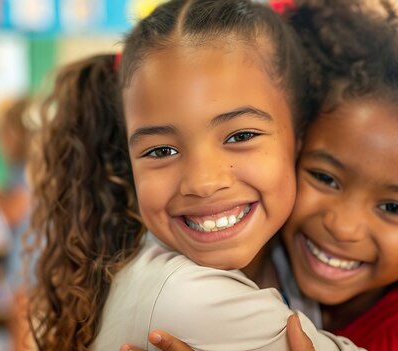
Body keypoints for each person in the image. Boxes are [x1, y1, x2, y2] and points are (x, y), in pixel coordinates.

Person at [123, 0, 398, 350]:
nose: (342, 227)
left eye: (394, 207)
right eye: (325, 178)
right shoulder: (261, 269)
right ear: (294, 150)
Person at [28, 0, 365, 350]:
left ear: (300, 137)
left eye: (240, 136)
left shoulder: (289, 257)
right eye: (161, 151)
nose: (203, 182)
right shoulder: (188, 297)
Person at [0, 97, 36, 351]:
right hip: (37, 253)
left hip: (29, 256)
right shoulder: (41, 164)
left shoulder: (22, 167)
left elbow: (13, 212)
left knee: (21, 326)